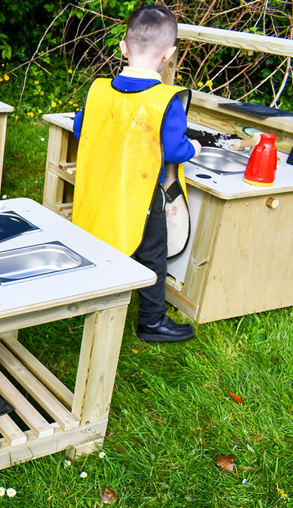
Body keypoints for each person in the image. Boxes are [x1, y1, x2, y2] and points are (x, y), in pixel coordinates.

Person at [72, 5, 201, 342]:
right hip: (142, 198)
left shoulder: (99, 90)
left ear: (123, 48)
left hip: (100, 188)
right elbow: (174, 150)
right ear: (169, 55)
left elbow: (80, 128)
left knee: (98, 243)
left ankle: (87, 300)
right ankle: (152, 321)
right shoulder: (167, 99)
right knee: (152, 256)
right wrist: (194, 149)